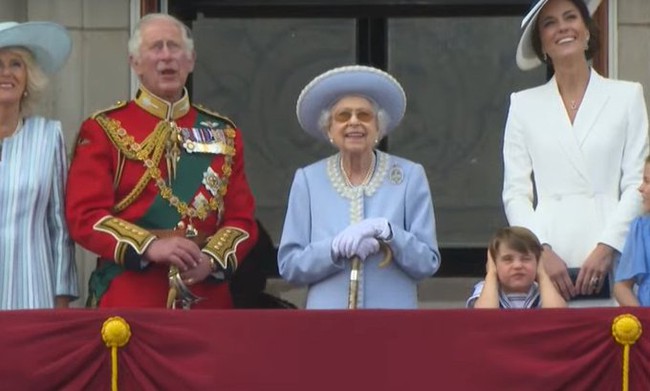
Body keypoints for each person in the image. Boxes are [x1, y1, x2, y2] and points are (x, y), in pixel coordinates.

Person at [65, 13, 258, 309]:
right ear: (135, 63)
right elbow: (85, 216)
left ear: (191, 60)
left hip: (206, 297)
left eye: (175, 47)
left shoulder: (225, 133)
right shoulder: (104, 129)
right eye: (156, 47)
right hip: (130, 297)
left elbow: (242, 220)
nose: (167, 56)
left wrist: (210, 259)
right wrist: (150, 246)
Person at [503, 0, 649, 305]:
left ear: (587, 31)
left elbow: (637, 182)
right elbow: (515, 192)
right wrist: (539, 250)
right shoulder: (523, 104)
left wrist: (607, 246)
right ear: (541, 44)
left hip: (614, 251)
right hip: (549, 252)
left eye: (571, 17)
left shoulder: (627, 95)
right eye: (550, 23)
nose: (562, 28)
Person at [278, 65, 441, 309]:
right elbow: (290, 267)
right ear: (329, 129)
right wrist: (332, 249)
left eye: (364, 115)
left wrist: (389, 233)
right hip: (328, 323)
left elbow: (427, 262)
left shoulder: (409, 176)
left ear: (378, 128)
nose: (354, 122)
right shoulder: (308, 180)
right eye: (343, 116)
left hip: (393, 321)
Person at [0, 21, 78, 309]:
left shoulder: (48, 135)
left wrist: (61, 297)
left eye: (16, 64)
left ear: (28, 77)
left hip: (34, 294)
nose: (6, 73)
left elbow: (60, 225)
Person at [467, 226, 566, 309]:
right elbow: (484, 316)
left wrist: (542, 274)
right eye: (508, 259)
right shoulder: (486, 288)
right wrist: (491, 273)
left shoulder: (544, 290)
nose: (518, 266)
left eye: (526, 259)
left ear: (538, 262)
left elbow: (558, 314)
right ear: (494, 263)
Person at [613, 156, 650, 306]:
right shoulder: (641, 228)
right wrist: (644, 321)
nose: (640, 188)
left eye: (647, 181)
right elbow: (622, 287)